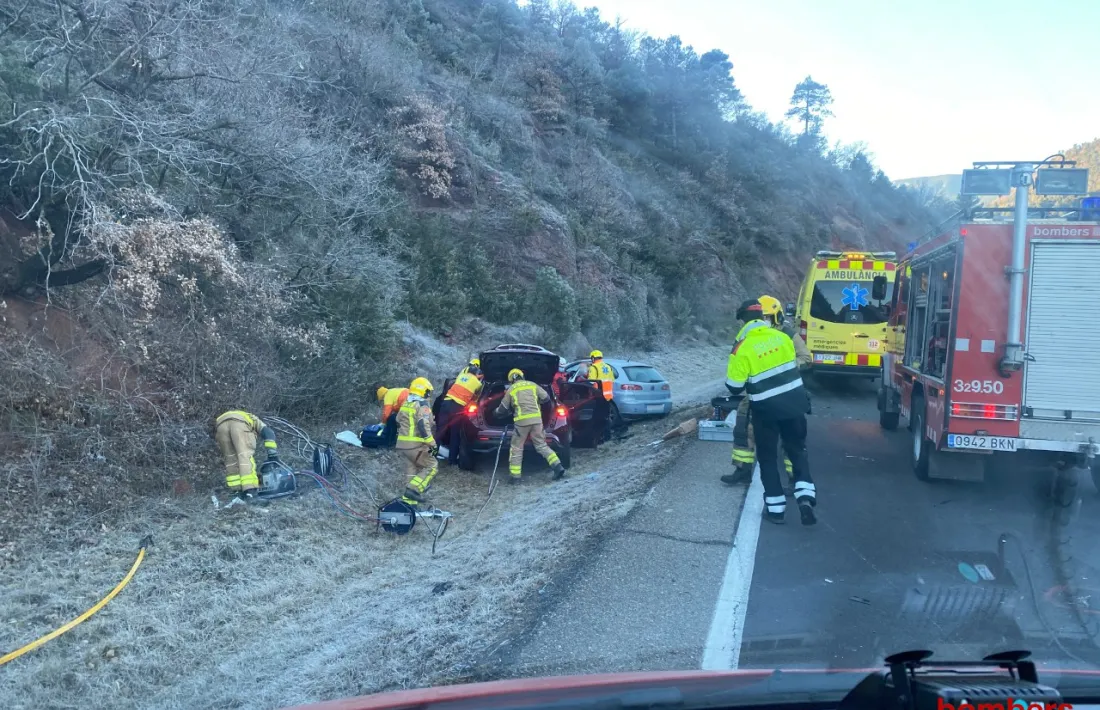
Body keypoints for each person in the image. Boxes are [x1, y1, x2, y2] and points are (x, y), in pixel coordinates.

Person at [725, 299, 817, 526]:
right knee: (797, 450)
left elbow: (734, 387)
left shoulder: (742, 346)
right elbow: (794, 365)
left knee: (767, 459)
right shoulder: (784, 338)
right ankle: (805, 498)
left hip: (766, 410)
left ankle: (776, 511)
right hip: (795, 404)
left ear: (743, 321)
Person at [495, 368, 566, 482]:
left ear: (511, 379)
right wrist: (538, 403)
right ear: (521, 376)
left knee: (517, 448)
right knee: (541, 445)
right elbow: (547, 398)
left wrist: (496, 413)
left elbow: (503, 408)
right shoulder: (533, 385)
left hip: (521, 423)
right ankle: (558, 467)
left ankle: (515, 477)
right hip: (537, 420)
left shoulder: (511, 389)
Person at [214, 410, 279, 494]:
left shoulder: (245, 415)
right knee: (244, 456)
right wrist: (272, 454)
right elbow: (268, 433)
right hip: (239, 423)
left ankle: (237, 491)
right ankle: (250, 491)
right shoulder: (256, 421)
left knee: (230, 459)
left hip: (220, 425)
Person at [397, 377, 439, 506]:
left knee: (412, 472)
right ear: (424, 391)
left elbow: (398, 420)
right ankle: (414, 490)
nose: (429, 395)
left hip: (402, 445)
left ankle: (409, 505)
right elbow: (422, 424)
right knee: (432, 466)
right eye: (428, 392)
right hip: (415, 445)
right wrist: (432, 443)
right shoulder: (423, 405)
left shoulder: (406, 403)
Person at [437, 365, 484, 465]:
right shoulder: (478, 384)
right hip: (457, 408)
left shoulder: (460, 376)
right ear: (477, 374)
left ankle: (432, 455)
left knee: (439, 431)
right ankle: (452, 460)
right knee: (455, 434)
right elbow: (476, 399)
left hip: (446, 403)